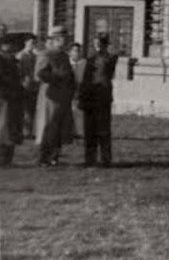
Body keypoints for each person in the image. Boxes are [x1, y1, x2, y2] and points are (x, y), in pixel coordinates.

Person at [34, 26, 76, 166]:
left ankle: (54, 156)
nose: (66, 41)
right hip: (50, 96)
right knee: (48, 125)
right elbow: (40, 74)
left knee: (60, 127)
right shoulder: (46, 54)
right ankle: (43, 157)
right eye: (63, 38)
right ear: (56, 39)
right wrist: (58, 78)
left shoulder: (63, 56)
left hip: (63, 97)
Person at [78, 33, 118, 167]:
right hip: (90, 96)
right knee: (89, 130)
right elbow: (84, 79)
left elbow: (109, 65)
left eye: (99, 44)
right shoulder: (89, 59)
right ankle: (90, 159)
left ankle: (105, 159)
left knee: (103, 129)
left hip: (102, 96)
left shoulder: (109, 58)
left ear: (105, 45)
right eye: (95, 44)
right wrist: (82, 97)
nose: (97, 46)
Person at [0, 34, 23, 166]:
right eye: (8, 44)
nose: (11, 47)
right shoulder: (3, 59)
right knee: (4, 127)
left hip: (13, 97)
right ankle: (3, 157)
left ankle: (7, 157)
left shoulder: (11, 59)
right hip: (4, 96)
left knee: (10, 126)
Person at [16, 34, 39, 138]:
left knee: (31, 109)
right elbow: (18, 72)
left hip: (33, 86)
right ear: (26, 43)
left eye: (34, 43)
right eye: (31, 42)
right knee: (24, 109)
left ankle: (28, 131)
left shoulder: (34, 56)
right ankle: (23, 131)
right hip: (24, 85)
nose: (32, 45)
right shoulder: (20, 56)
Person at [68, 43, 87, 138]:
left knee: (79, 111)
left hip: (80, 88)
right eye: (75, 51)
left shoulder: (84, 63)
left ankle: (79, 132)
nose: (77, 53)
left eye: (78, 51)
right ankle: (69, 131)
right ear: (70, 52)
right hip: (68, 89)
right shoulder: (67, 63)